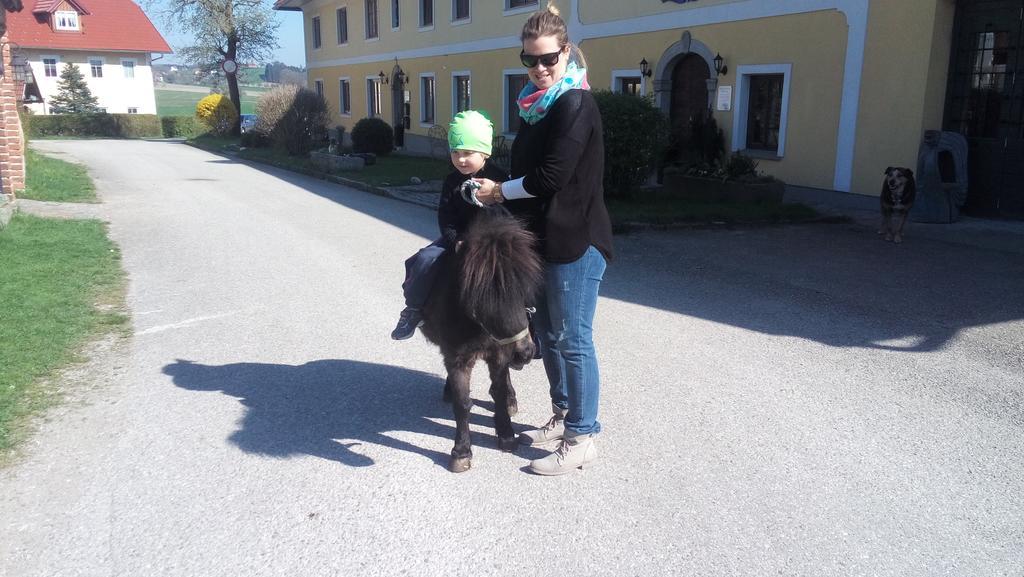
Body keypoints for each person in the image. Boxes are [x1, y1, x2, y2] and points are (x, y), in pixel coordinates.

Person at [473, 5, 613, 476]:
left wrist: (501, 191)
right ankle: (565, 411)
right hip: (544, 241)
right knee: (549, 334)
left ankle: (583, 434)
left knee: (574, 339)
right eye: (530, 60)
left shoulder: (575, 103)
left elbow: (551, 176)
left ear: (565, 52)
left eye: (548, 59)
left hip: (578, 241)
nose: (538, 69)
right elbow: (523, 171)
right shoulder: (535, 106)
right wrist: (488, 186)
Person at [391, 110, 509, 340]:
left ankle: (530, 325)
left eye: (468, 153)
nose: (460, 159)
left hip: (492, 242)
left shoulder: (499, 180)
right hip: (458, 239)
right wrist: (455, 240)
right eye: (455, 152)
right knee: (424, 259)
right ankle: (413, 309)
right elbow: (445, 216)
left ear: (485, 153)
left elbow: (507, 215)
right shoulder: (452, 181)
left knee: (522, 269)